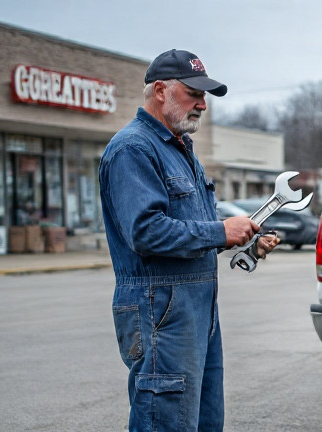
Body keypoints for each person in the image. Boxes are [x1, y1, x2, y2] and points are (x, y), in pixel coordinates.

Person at [99, 49, 279, 431]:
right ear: (160, 91)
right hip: (160, 312)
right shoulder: (133, 149)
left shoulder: (182, 152)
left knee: (204, 422)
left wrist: (243, 242)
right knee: (166, 422)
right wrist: (220, 231)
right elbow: (145, 231)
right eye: (193, 93)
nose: (203, 104)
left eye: (204, 96)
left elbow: (194, 230)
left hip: (198, 311)